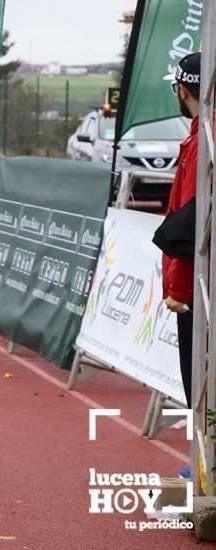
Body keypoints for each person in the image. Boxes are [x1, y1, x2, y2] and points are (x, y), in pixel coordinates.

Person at [162, 52, 200, 409]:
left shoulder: (203, 139)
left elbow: (190, 220)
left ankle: (205, 463)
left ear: (184, 91)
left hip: (200, 290)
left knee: (200, 384)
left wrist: (179, 288)